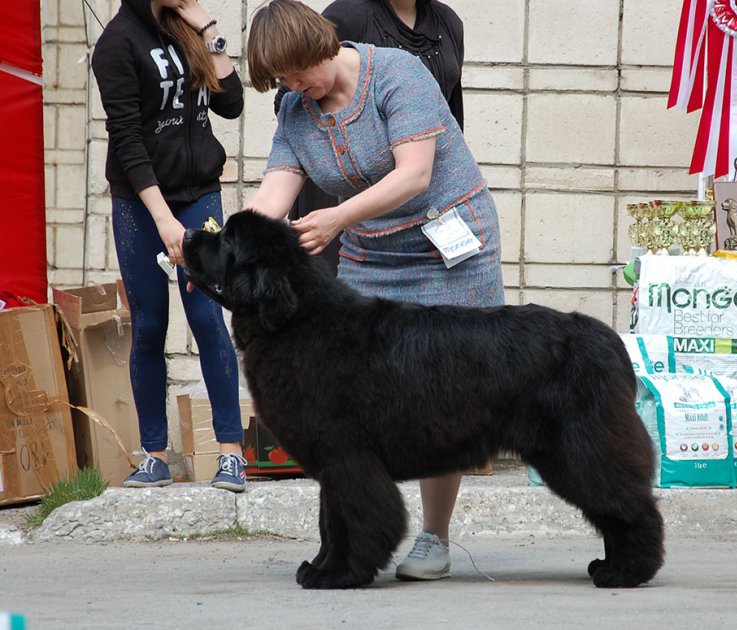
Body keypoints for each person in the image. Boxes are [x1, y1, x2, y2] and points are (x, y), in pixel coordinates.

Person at [245, 0, 504, 579]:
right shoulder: (295, 110)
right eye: (282, 81)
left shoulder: (396, 73)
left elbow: (413, 173)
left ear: (319, 46)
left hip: (450, 249)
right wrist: (220, 243)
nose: (292, 87)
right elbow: (273, 198)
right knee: (350, 405)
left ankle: (434, 538)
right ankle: (350, 540)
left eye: (296, 72)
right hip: (372, 255)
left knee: (446, 391)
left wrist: (336, 219)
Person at [91, 0, 247, 491]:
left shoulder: (188, 28)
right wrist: (163, 220)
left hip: (200, 192)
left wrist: (209, 31)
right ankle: (155, 455)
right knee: (151, 323)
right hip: (141, 204)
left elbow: (232, 103)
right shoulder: (116, 45)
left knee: (206, 315)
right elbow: (127, 142)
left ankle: (230, 453)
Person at [275, 0, 466, 273]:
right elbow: (295, 103)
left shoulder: (448, 22)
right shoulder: (347, 15)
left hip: (427, 206)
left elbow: (450, 112)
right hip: (345, 199)